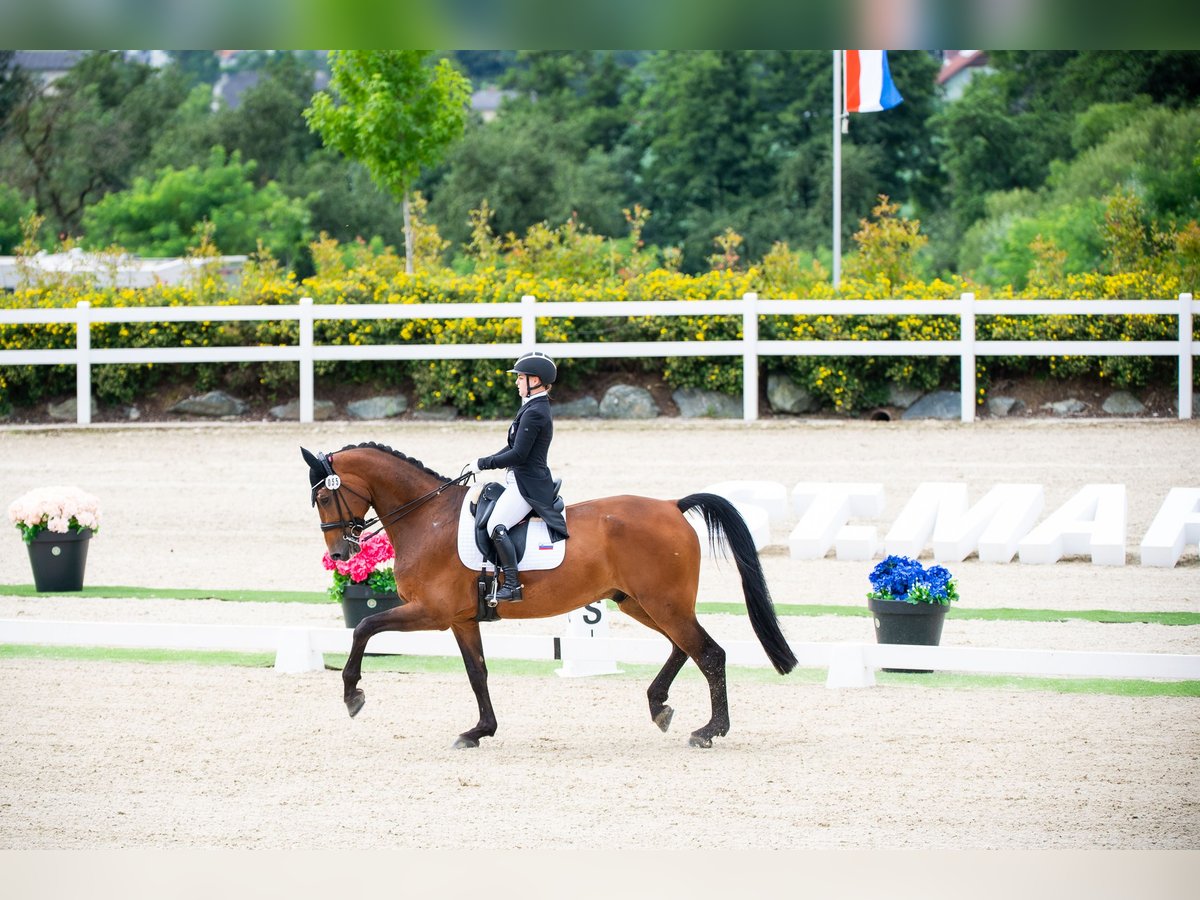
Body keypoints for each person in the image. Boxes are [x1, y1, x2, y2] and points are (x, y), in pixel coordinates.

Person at [464, 351, 568, 602]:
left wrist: (484, 463)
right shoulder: (532, 406)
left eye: (520, 378)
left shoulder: (535, 411)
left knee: (495, 525)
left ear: (535, 380)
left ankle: (512, 584)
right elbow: (512, 448)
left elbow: (519, 454)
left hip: (527, 484)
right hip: (519, 479)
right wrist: (482, 462)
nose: (516, 382)